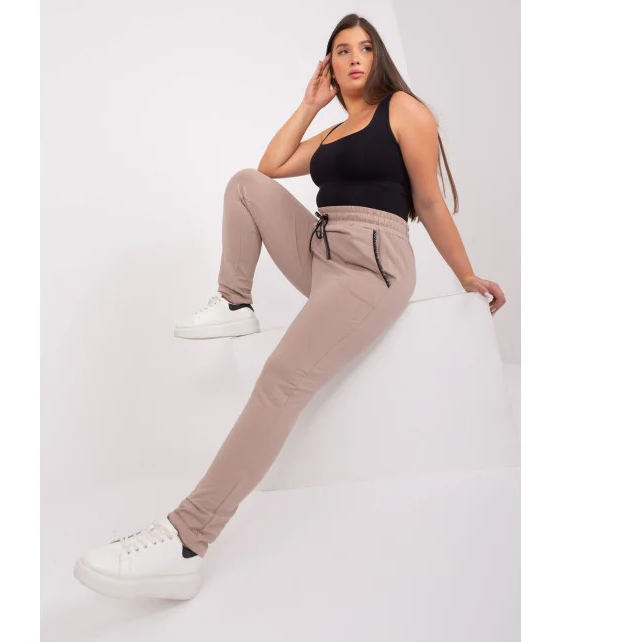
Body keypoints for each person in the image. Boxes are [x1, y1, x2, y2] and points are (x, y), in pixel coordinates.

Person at [73, 14, 506, 601]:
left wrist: (466, 274)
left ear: (378, 57)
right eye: (341, 51)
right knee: (245, 184)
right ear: (329, 65)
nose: (355, 58)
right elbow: (272, 165)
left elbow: (428, 200)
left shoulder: (403, 110)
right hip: (321, 252)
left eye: (365, 48)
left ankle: (186, 541)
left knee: (280, 380)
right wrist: (310, 104)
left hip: (372, 266)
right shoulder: (333, 131)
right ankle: (235, 301)